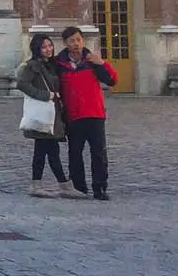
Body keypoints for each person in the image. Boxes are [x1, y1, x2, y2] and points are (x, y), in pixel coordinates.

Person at [14, 33, 77, 199]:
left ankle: (42, 184)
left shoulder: (53, 64)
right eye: (44, 47)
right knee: (49, 149)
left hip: (54, 113)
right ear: (37, 49)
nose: (48, 49)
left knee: (44, 150)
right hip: (43, 113)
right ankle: (61, 185)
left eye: (50, 45)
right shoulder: (32, 66)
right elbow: (21, 84)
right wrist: (45, 95)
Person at [57, 26, 116, 200]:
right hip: (73, 115)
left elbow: (112, 80)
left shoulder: (92, 61)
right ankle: (79, 187)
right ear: (65, 44)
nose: (76, 44)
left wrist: (102, 63)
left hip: (95, 113)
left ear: (83, 41)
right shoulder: (59, 64)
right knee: (75, 152)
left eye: (78, 40)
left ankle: (100, 187)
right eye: (71, 41)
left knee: (98, 152)